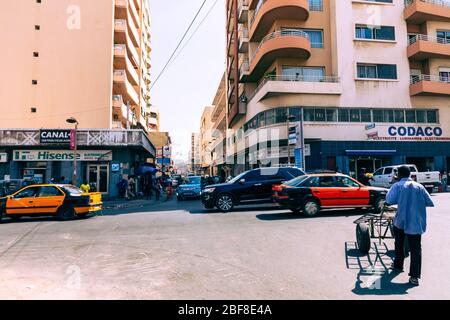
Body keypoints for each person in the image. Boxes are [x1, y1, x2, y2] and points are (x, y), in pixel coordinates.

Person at [385, 165, 434, 287]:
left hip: (401, 220)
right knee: (416, 249)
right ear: (410, 175)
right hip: (416, 222)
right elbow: (430, 202)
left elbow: (389, 200)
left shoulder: (397, 186)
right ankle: (414, 277)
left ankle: (398, 265)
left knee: (399, 243)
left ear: (399, 175)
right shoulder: (420, 187)